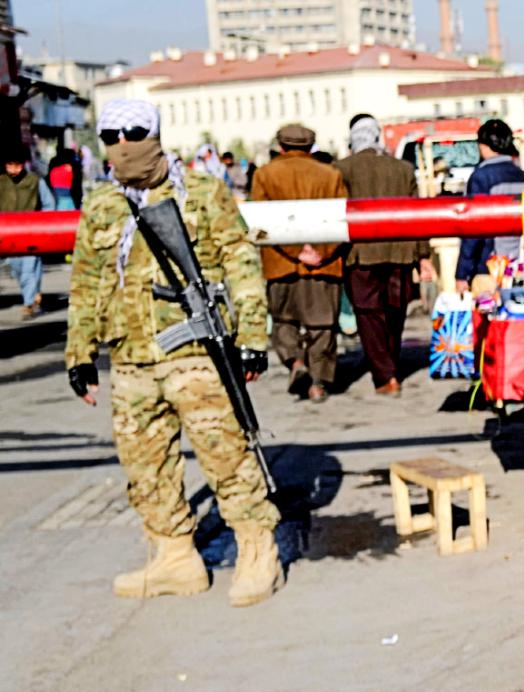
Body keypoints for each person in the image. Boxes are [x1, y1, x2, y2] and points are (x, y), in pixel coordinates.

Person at [65, 98, 281, 607]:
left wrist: (252, 336)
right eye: (111, 137)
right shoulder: (102, 204)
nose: (123, 145)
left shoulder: (201, 192)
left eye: (134, 132)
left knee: (226, 456)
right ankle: (174, 557)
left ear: (156, 134)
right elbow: (87, 282)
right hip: (131, 358)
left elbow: (241, 261)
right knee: (146, 466)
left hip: (195, 353)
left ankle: (257, 550)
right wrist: (79, 353)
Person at [333, 113, 436, 397]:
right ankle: (390, 365)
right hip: (399, 253)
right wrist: (423, 256)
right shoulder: (402, 169)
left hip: (360, 255)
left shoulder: (341, 169)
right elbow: (417, 216)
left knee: (369, 317)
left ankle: (385, 375)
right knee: (394, 313)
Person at [250, 124, 349, 403]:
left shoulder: (264, 175)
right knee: (322, 326)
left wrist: (295, 251)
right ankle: (318, 383)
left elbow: (259, 223)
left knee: (284, 322)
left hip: (281, 264)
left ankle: (295, 362)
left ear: (281, 147)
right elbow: (341, 218)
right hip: (323, 264)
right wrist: (321, 252)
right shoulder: (331, 174)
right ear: (310, 147)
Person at [454, 118, 524, 297]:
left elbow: (473, 227)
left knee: (488, 312)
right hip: (520, 263)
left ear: (483, 146)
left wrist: (462, 272)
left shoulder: (480, 177)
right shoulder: (523, 176)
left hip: (489, 265)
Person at [1, 147, 48, 318]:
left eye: (17, 165)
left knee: (29, 268)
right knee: (17, 269)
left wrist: (43, 226)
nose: (13, 169)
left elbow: (48, 204)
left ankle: (29, 303)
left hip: (31, 233)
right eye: (10, 165)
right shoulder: (1, 182)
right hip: (10, 236)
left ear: (23, 164)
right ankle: (34, 295)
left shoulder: (35, 181)